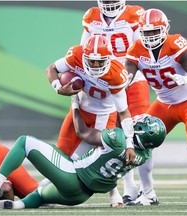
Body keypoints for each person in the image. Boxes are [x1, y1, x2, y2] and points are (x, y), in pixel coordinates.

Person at [0, 94, 166, 209]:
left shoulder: (119, 139)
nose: (137, 122)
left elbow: (83, 132)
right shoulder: (143, 155)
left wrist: (75, 105)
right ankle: (11, 207)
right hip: (80, 195)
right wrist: (114, 196)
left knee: (25, 142)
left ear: (141, 133)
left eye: (141, 124)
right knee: (40, 194)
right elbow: (106, 163)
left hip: (73, 177)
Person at [124, 8, 187, 205]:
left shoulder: (174, 43)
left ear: (164, 29)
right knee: (141, 140)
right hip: (164, 103)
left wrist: (185, 79)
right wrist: (120, 82)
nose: (150, 36)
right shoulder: (136, 49)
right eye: (146, 32)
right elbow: (127, 76)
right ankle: (148, 193)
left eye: (154, 31)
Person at [46, 34, 135, 207]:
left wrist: (129, 143)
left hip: (105, 114)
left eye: (100, 61)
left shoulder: (116, 75)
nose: (95, 65)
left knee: (104, 156)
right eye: (91, 61)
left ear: (108, 58)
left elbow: (124, 112)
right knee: (60, 153)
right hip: (81, 108)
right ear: (84, 57)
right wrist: (58, 88)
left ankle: (113, 192)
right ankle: (50, 189)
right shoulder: (76, 55)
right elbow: (50, 69)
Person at [80, 0, 151, 204]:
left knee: (140, 133)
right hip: (105, 80)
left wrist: (127, 76)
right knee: (118, 136)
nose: (110, 3)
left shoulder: (135, 15)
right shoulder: (91, 16)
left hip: (133, 78)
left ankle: (148, 189)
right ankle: (129, 186)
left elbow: (141, 51)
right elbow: (83, 49)